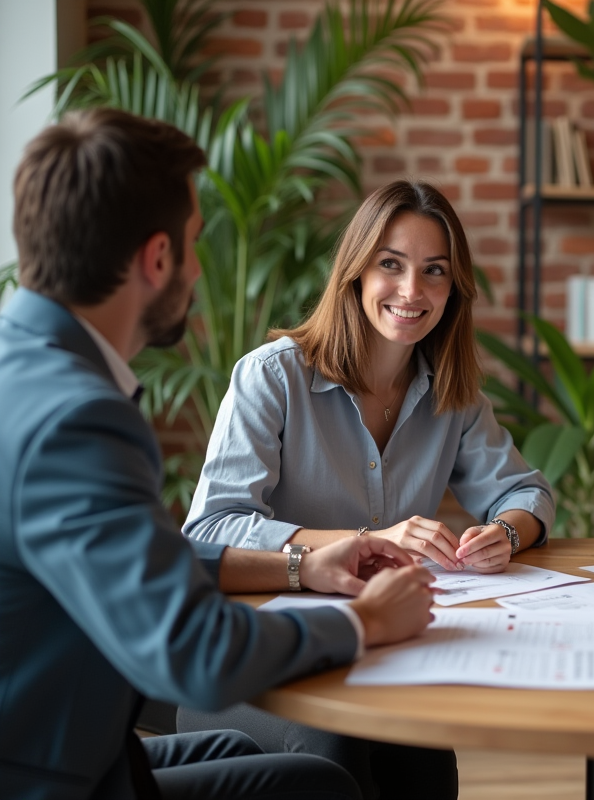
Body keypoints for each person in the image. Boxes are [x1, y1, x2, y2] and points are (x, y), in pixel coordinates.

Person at [0, 108, 441, 800]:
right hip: (45, 777)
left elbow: (138, 559)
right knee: (316, 791)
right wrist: (363, 620)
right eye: (195, 242)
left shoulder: (22, 368)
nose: (198, 266)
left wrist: (300, 567)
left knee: (240, 750)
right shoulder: (78, 419)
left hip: (63, 744)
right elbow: (194, 653)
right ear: (157, 258)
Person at [178, 179, 555, 799]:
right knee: (341, 757)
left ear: (453, 290)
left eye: (434, 272)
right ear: (354, 273)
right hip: (260, 667)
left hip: (384, 651)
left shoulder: (450, 395)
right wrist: (366, 540)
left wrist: (507, 533)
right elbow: (210, 530)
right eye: (391, 265)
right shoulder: (272, 378)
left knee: (426, 765)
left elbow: (525, 489)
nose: (412, 291)